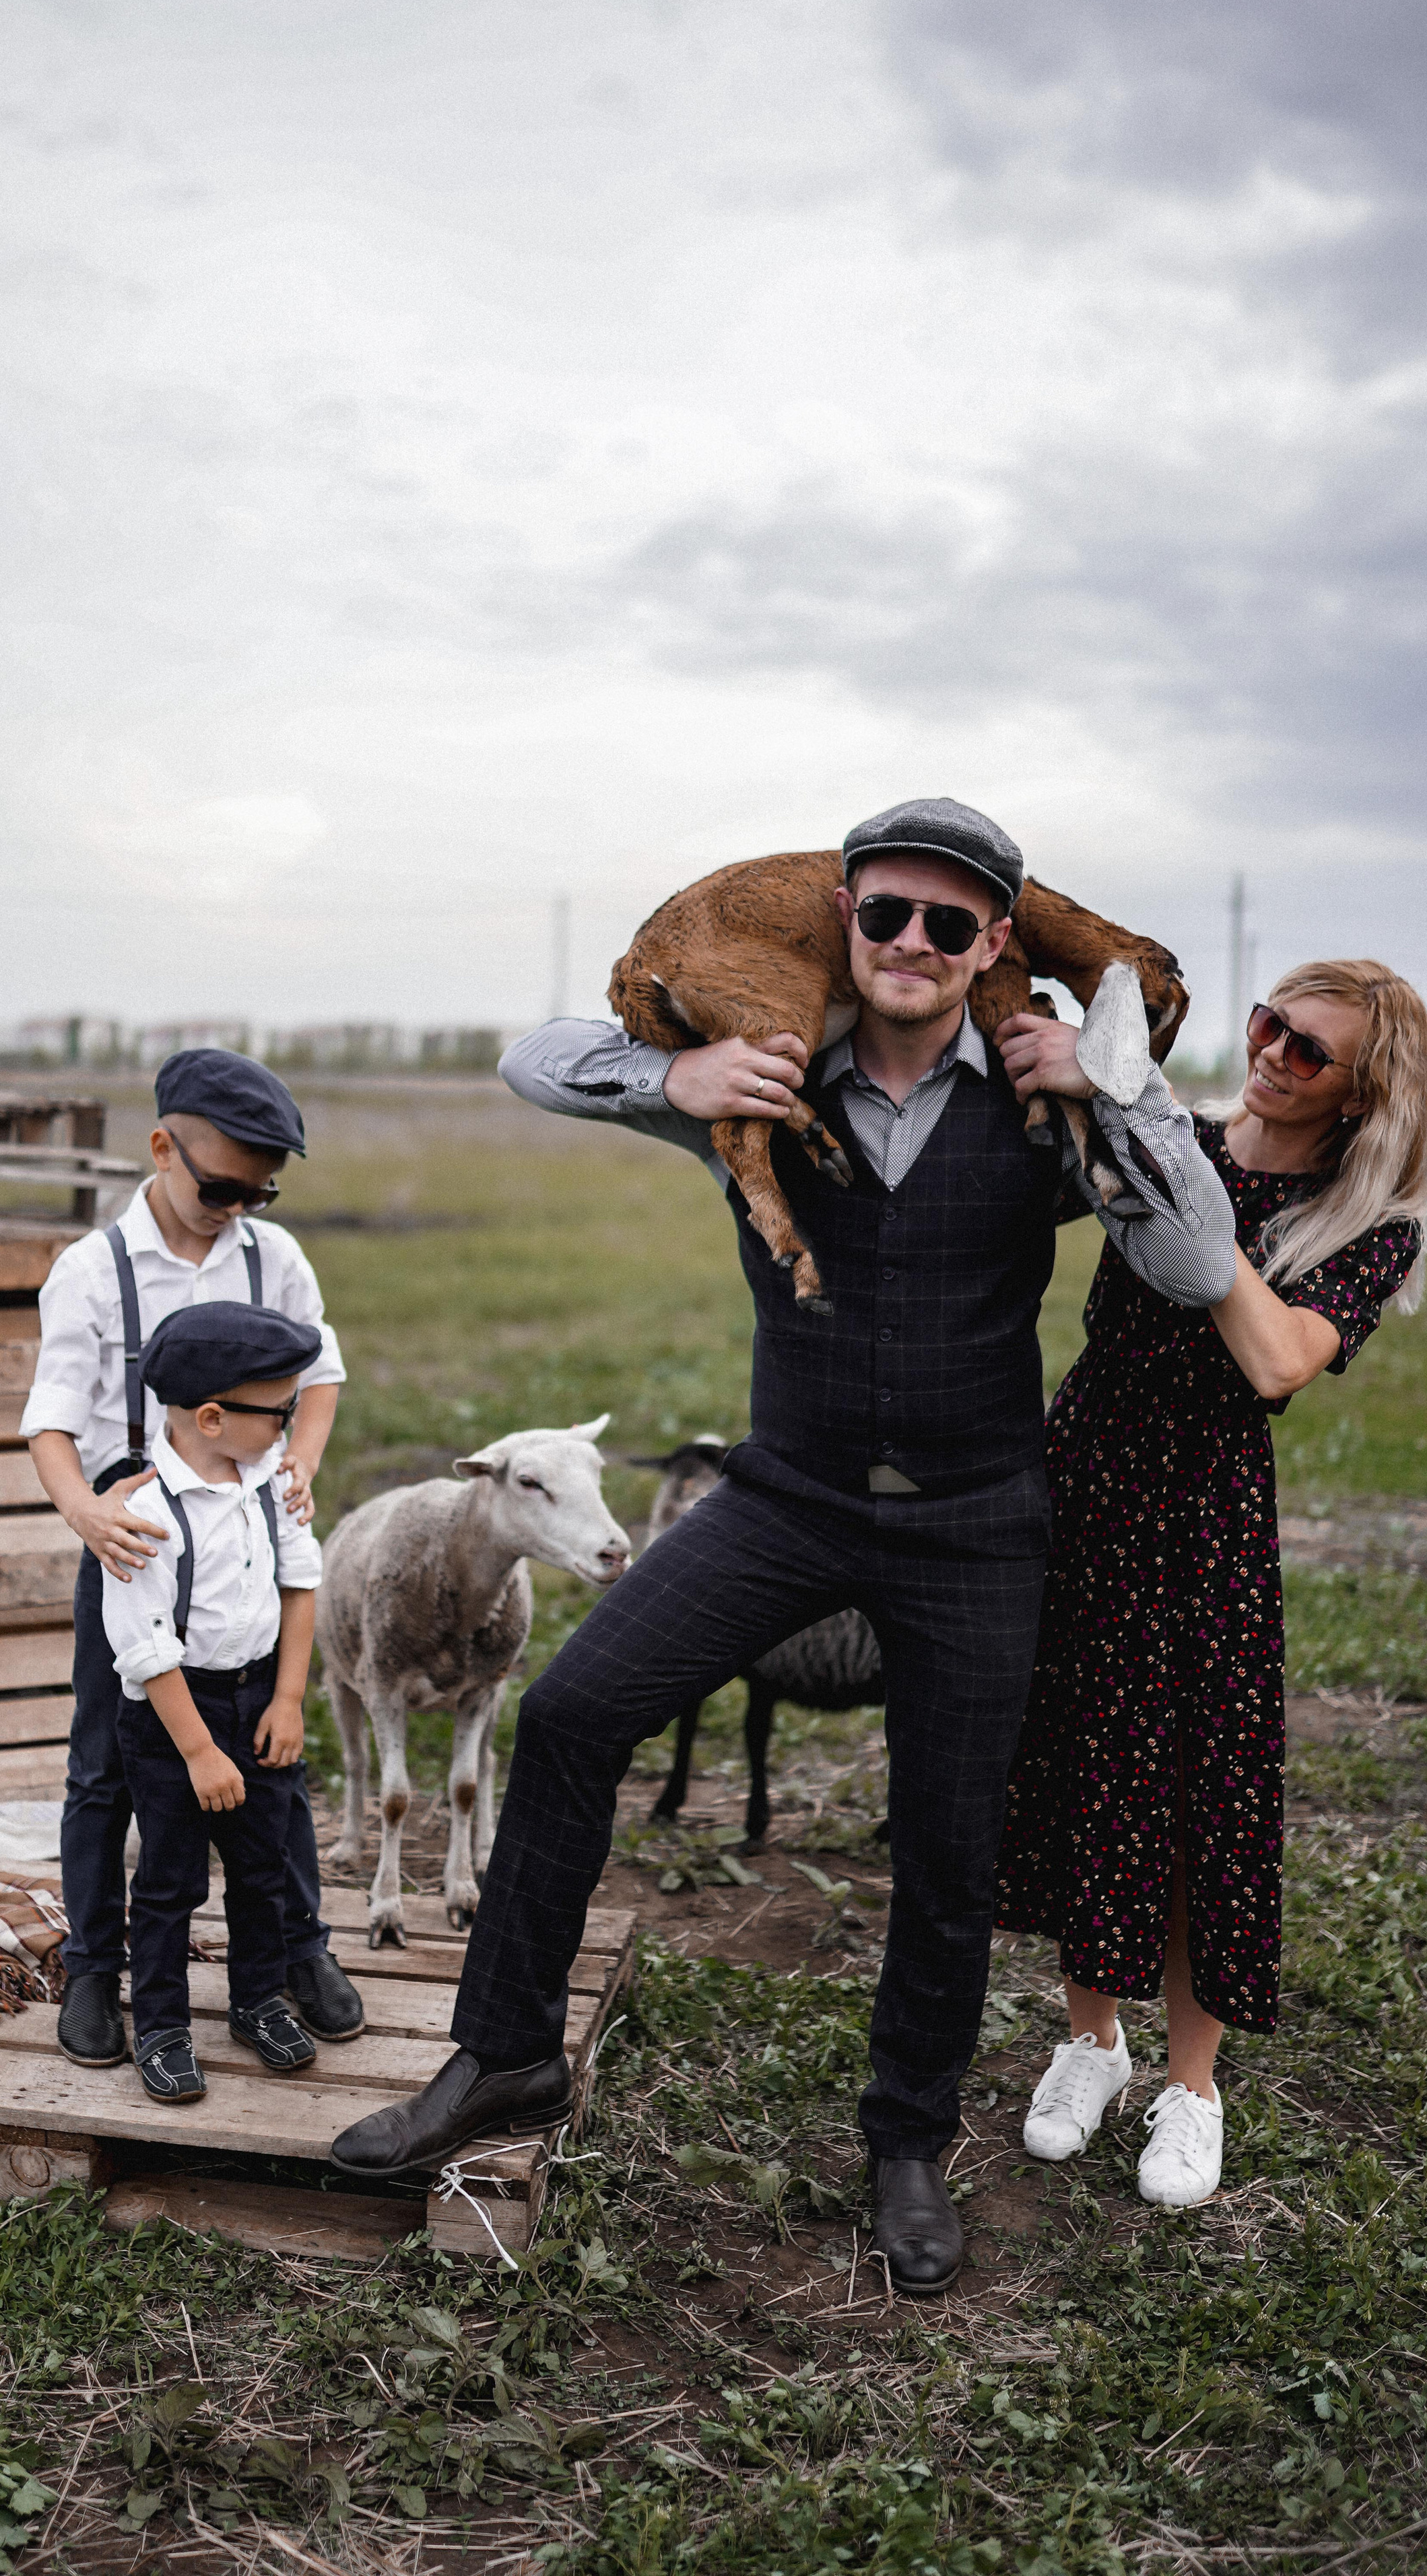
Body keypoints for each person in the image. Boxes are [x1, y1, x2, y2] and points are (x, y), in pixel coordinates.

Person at [330, 797, 1238, 2295]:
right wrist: (669, 1068)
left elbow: (1197, 1259)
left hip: (972, 1525)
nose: (912, 943)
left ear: (992, 946)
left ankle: (902, 2145)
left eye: (951, 924)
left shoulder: (1046, 1104)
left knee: (943, 1847)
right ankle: (501, 2060)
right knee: (568, 1715)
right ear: (840, 917)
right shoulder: (757, 1079)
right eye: (884, 913)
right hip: (786, 1497)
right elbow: (527, 1058)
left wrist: (1121, 1086)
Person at [995, 963, 1427, 2207]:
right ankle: (1091, 2041)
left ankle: (1193, 2088)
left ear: (1363, 1095)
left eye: (1312, 1052)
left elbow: (1278, 1359)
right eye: (1270, 1025)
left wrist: (1190, 1194)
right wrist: (1138, 1124)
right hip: (1081, 1475)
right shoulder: (1165, 1136)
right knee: (1083, 1758)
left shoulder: (1367, 1224)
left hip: (1205, 1517)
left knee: (1200, 1795)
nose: (1276, 1054)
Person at [20, 1046, 363, 2067]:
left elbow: (323, 1372)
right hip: (134, 1536)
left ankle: (298, 1950)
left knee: (274, 1755)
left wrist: (297, 1462)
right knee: (106, 1766)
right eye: (221, 1186)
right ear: (163, 1146)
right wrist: (87, 1513)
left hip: (249, 1525)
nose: (237, 1207)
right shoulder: (93, 1272)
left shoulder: (273, 1256)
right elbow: (49, 1419)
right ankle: (96, 1970)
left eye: (260, 1190)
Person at [102, 1303, 327, 2101]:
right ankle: (160, 2022)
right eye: (281, 1413)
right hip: (174, 1720)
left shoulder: (272, 1485)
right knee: (169, 1880)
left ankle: (257, 1999)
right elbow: (147, 1647)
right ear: (211, 1417)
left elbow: (299, 1584)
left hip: (259, 1698)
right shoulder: (141, 1516)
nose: (290, 1429)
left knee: (262, 1868)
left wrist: (290, 1698)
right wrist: (199, 1751)